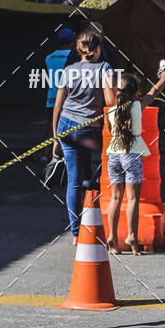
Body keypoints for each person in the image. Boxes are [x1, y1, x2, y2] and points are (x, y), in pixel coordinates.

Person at [52, 29, 116, 244]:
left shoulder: (68, 69)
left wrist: (55, 138)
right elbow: (111, 101)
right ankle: (100, 219)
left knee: (74, 181)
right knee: (102, 168)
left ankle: (76, 233)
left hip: (66, 127)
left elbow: (58, 105)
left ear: (77, 50)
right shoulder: (104, 68)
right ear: (98, 48)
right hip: (88, 129)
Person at [106, 67, 165, 255]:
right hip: (131, 155)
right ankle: (132, 237)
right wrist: (164, 79)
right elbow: (154, 92)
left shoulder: (111, 111)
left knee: (115, 198)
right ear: (136, 93)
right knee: (133, 198)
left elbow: (111, 130)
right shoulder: (138, 106)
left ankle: (111, 236)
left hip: (113, 155)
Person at [43, 27, 74, 167]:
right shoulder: (74, 57)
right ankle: (66, 157)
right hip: (68, 98)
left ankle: (46, 155)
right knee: (70, 128)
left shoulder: (49, 57)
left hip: (51, 98)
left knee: (51, 128)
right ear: (72, 41)